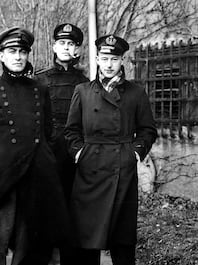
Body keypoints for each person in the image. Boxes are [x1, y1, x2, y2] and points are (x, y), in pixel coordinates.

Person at [0, 27, 72, 265]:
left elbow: (47, 132)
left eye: (22, 51)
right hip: (0, 176)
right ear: (1, 56)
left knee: (29, 238)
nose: (18, 56)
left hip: (35, 174)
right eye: (12, 51)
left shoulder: (39, 89)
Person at [64, 34, 157, 265]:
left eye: (114, 59)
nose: (108, 64)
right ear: (96, 59)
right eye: (104, 58)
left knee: (122, 241)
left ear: (122, 61)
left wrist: (133, 153)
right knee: (87, 239)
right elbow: (71, 131)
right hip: (89, 172)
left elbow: (148, 130)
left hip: (122, 172)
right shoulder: (83, 91)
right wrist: (79, 153)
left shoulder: (136, 92)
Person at [34, 23, 88, 265]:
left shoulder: (85, 82)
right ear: (54, 46)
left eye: (72, 44)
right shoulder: (40, 79)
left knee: (71, 212)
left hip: (74, 156)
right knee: (45, 212)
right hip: (47, 153)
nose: (66, 48)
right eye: (62, 43)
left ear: (77, 50)